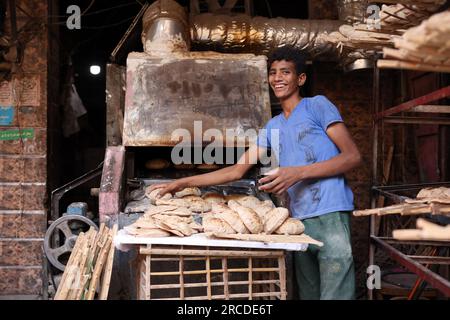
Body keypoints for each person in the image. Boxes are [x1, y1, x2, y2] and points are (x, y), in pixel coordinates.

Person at [150, 46, 362, 300]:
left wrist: (297, 173)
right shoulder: (272, 126)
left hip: (330, 213)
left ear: (301, 79)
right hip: (297, 221)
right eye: (273, 73)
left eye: (286, 72)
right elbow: (237, 170)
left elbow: (352, 156)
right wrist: (182, 182)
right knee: (308, 294)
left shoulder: (317, 106)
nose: (278, 78)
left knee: (336, 294)